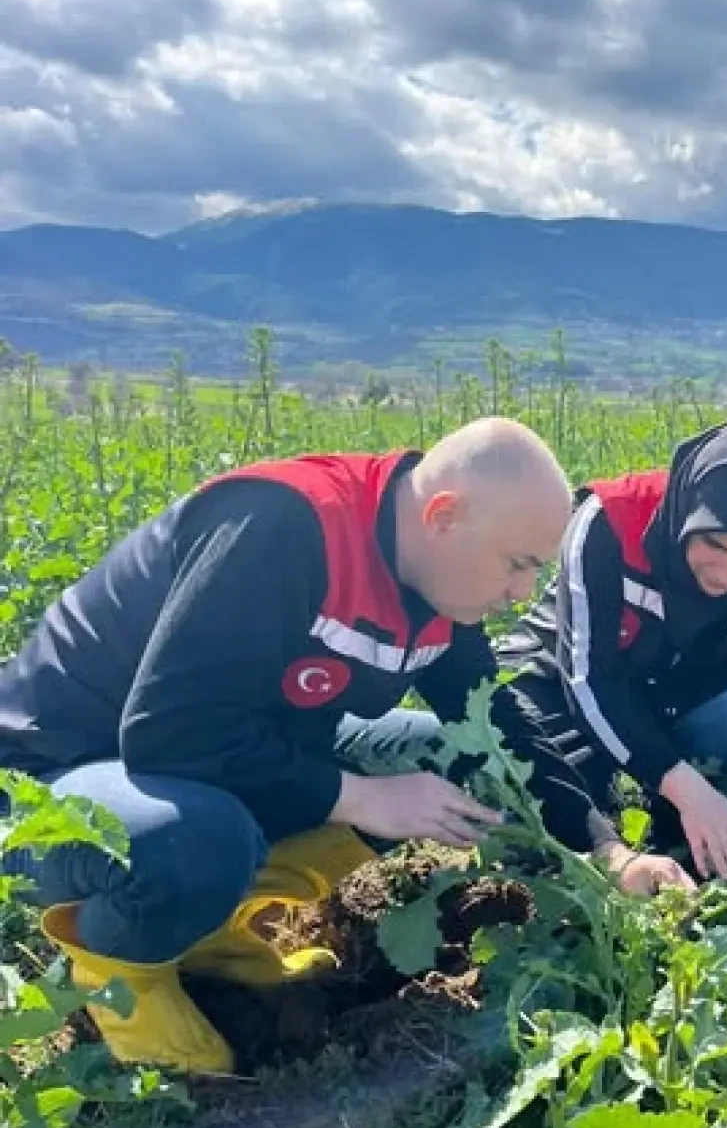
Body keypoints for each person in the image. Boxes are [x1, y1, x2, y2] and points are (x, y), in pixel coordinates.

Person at [0, 420, 691, 1075]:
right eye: (517, 566)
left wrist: (607, 847)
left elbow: (493, 725)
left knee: (440, 759)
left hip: (204, 766)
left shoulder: (433, 579)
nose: (520, 594)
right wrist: (360, 797)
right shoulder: (282, 530)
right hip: (55, 785)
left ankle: (208, 931)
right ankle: (120, 968)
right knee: (192, 840)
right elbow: (167, 732)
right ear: (445, 515)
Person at [496, 419, 727, 881]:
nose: (726, 573)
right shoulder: (609, 522)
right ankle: (627, 828)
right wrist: (686, 787)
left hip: (673, 688)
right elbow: (589, 680)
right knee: (532, 792)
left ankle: (672, 822)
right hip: (561, 676)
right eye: (714, 545)